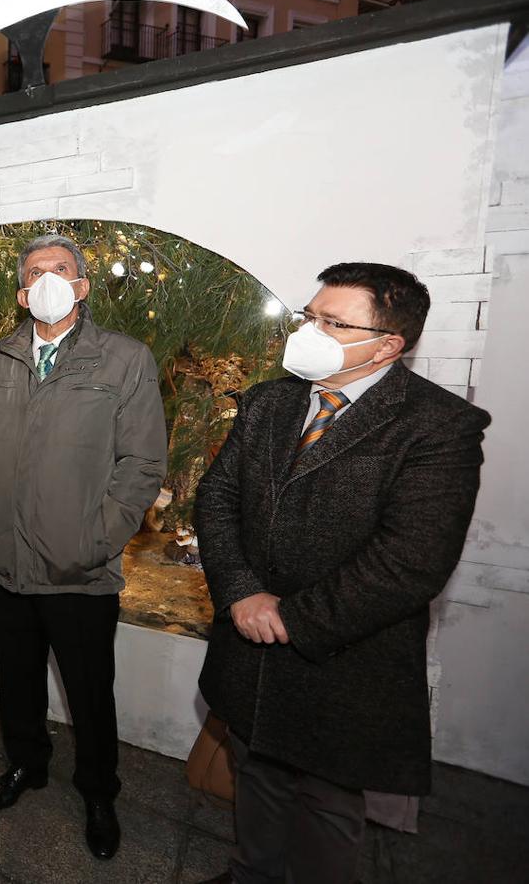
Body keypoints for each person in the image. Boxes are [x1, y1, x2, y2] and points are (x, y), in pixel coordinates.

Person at [193, 263, 491, 884]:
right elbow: (216, 498)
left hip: (341, 654)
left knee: (326, 803)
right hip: (247, 645)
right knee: (254, 771)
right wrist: (243, 592)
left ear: (388, 345)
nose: (311, 330)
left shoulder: (438, 426)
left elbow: (411, 561)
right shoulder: (270, 400)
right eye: (310, 315)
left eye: (333, 321)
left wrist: (289, 619)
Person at [0, 234, 167, 861]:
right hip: (4, 562)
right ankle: (27, 765)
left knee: (88, 689)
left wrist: (97, 538)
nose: (48, 280)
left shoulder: (123, 358)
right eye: (35, 272)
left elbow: (142, 463)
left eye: (61, 270)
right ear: (22, 292)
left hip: (80, 569)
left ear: (82, 286)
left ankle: (99, 790)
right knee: (18, 680)